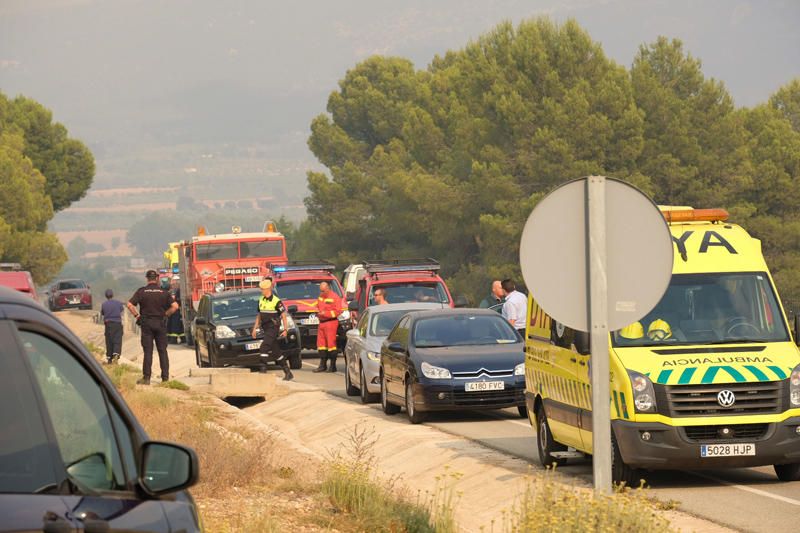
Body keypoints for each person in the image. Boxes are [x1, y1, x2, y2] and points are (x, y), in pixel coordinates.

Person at [127, 270, 179, 385]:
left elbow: (129, 304)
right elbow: (175, 306)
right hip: (160, 323)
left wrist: (137, 316)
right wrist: (166, 314)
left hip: (146, 324)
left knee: (148, 352)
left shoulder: (142, 291)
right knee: (162, 351)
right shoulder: (163, 292)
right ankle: (165, 379)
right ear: (157, 278)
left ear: (147, 278)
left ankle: (146, 378)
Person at [251, 279, 293, 381]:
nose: (261, 291)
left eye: (263, 289)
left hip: (273, 327)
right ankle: (288, 372)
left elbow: (283, 316)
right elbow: (259, 315)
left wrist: (285, 329)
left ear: (268, 289)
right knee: (276, 352)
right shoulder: (261, 299)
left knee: (264, 347)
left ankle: (263, 370)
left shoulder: (276, 301)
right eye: (261, 289)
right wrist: (254, 328)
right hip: (265, 327)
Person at [312, 281, 344, 373]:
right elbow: (317, 306)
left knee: (331, 345)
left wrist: (325, 314)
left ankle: (333, 365)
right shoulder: (320, 297)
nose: (321, 293)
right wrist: (316, 311)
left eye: (323, 291)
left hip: (331, 323)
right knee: (321, 345)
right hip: (321, 323)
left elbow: (338, 311)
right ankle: (322, 365)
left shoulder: (335, 297)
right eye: (320, 291)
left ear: (328, 289)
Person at [100, 289, 125, 364]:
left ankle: (109, 358)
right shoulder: (118, 303)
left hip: (108, 324)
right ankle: (116, 354)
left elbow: (103, 313)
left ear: (106, 296)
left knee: (109, 340)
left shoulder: (104, 304)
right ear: (112, 295)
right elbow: (121, 309)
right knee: (117, 339)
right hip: (117, 323)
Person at [166, 277, 185, 344]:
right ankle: (183, 339)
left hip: (175, 310)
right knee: (179, 325)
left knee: (174, 325)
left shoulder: (176, 291)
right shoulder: (177, 291)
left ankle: (173, 339)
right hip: (177, 310)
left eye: (175, 282)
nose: (174, 283)